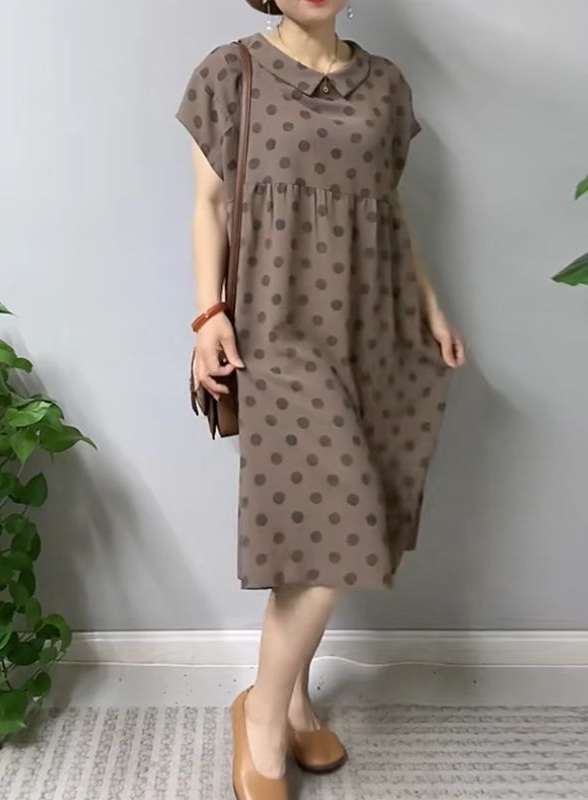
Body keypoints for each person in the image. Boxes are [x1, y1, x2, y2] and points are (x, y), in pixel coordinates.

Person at [175, 1, 466, 797]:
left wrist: (431, 306)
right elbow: (209, 204)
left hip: (373, 322)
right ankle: (263, 721)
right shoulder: (229, 71)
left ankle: (298, 705)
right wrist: (208, 314)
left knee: (311, 527)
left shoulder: (387, 86)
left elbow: (389, 208)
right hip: (278, 327)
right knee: (337, 519)